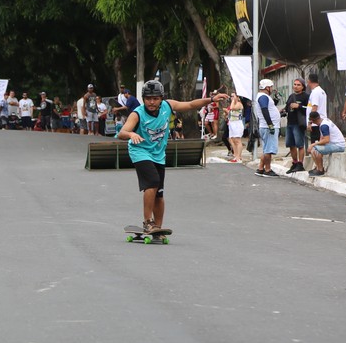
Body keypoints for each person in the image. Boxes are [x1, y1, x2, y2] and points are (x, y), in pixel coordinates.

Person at [117, 80, 227, 234]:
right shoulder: (138, 114)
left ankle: (157, 228)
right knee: (152, 182)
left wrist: (211, 99)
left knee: (159, 193)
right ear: (143, 99)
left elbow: (190, 105)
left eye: (155, 98)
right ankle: (148, 222)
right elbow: (122, 133)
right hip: (140, 151)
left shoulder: (167, 106)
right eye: (148, 98)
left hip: (158, 154)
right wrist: (131, 134)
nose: (152, 102)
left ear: (161, 98)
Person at [254, 79, 281, 177]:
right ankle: (268, 170)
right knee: (269, 150)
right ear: (267, 87)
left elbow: (268, 109)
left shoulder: (263, 97)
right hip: (268, 127)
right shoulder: (263, 97)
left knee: (266, 149)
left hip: (267, 126)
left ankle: (260, 168)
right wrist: (270, 124)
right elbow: (264, 109)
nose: (272, 89)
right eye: (271, 87)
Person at [306, 111, 346, 177]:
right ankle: (318, 167)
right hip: (335, 144)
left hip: (338, 145)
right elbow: (322, 138)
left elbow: (326, 140)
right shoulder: (323, 121)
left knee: (315, 149)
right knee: (316, 147)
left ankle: (320, 170)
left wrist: (313, 145)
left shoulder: (324, 125)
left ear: (313, 120)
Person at [282, 78, 309, 173]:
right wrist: (283, 110)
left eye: (298, 85)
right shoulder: (291, 96)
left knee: (300, 144)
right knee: (291, 144)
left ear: (303, 87)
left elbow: (309, 109)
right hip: (290, 123)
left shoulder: (306, 96)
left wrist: (299, 106)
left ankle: (300, 164)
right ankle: (294, 162)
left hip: (299, 124)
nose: (296, 86)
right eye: (295, 84)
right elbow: (287, 107)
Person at [306, 72, 327, 142]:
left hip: (316, 123)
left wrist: (309, 122)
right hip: (320, 122)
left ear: (309, 81)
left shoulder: (315, 92)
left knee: (316, 147)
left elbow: (314, 108)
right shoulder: (321, 91)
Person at [226, 93, 245, 163]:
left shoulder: (239, 104)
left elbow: (232, 108)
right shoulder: (233, 103)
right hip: (232, 122)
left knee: (237, 140)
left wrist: (234, 100)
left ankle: (239, 157)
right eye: (231, 96)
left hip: (237, 123)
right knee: (232, 139)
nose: (231, 98)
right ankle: (236, 155)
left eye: (233, 96)